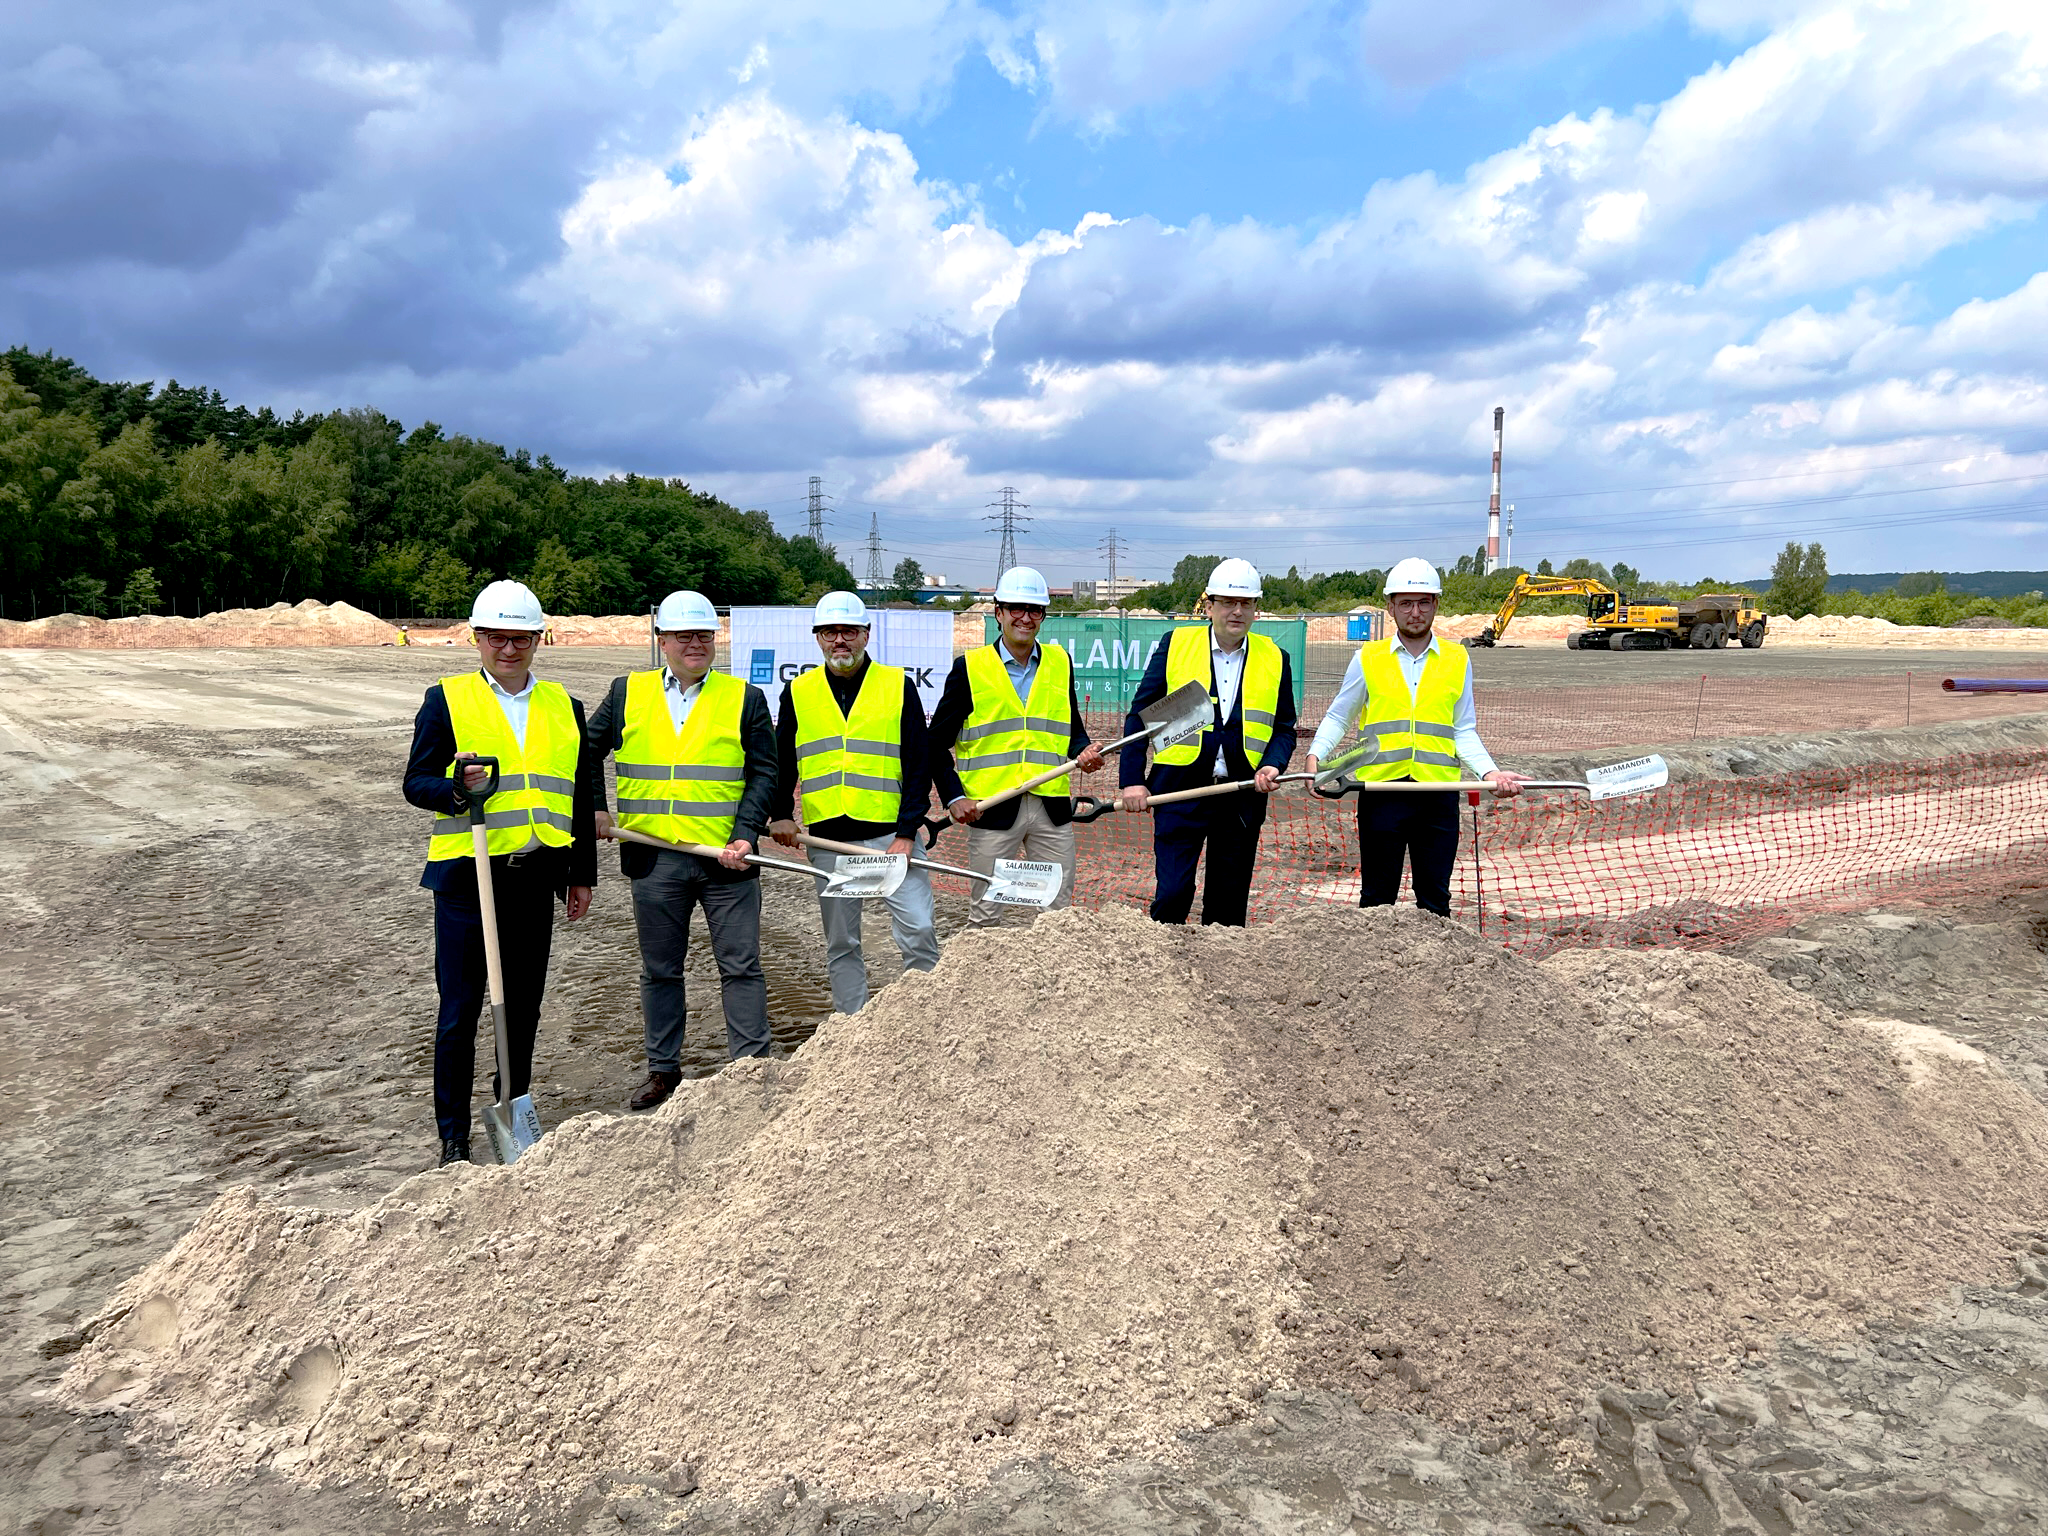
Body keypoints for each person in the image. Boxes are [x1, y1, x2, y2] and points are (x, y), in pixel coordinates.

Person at [401, 579, 600, 1167]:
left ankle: (513, 1104)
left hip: (534, 877)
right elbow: (415, 783)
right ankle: (453, 1133)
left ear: (537, 639)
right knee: (460, 1010)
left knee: (524, 1006)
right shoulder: (446, 699)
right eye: (495, 638)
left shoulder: (565, 706)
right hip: (468, 880)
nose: (507, 650)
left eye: (519, 638)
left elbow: (579, 796)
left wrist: (579, 873)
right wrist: (457, 793)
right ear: (477, 638)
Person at [586, 590, 777, 1109]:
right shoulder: (628, 691)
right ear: (662, 639)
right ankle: (663, 1070)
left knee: (741, 965)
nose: (696, 644)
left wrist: (746, 833)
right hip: (655, 859)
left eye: (704, 636)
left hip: (726, 860)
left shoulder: (745, 698)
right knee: (660, 970)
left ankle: (751, 1068)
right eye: (685, 636)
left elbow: (764, 771)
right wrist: (598, 808)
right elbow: (585, 750)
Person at [1306, 557, 1526, 916]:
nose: (1415, 611)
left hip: (1437, 796)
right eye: (1405, 603)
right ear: (1391, 607)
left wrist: (1490, 774)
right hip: (1382, 794)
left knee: (1435, 901)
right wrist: (1316, 757)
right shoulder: (1368, 658)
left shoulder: (1457, 659)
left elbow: (1463, 729)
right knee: (1377, 900)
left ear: (1436, 605)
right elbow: (1338, 716)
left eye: (1424, 602)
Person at [767, 591, 940, 1013]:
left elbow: (919, 763)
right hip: (830, 842)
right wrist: (780, 815)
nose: (839, 640)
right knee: (842, 941)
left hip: (889, 838)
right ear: (818, 638)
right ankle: (852, 1024)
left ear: (866, 634)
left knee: (918, 929)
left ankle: (931, 1018)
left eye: (849, 631)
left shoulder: (897, 686)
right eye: (830, 632)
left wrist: (906, 832)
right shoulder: (799, 691)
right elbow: (782, 761)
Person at [1119, 558, 1297, 926]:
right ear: (1210, 606)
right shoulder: (1176, 645)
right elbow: (1139, 717)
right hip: (1180, 792)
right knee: (1172, 897)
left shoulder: (1275, 658)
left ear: (1255, 609)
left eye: (1246, 603)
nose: (1237, 611)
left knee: (1227, 910)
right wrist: (1132, 779)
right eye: (1228, 602)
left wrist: (1273, 764)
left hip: (1241, 796)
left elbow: (1284, 727)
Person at [929, 566, 1105, 924]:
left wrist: (1084, 751)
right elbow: (934, 746)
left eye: (1034, 610)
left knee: (1058, 914)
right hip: (993, 810)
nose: (1025, 618)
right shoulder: (969, 669)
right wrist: (954, 797)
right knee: (986, 915)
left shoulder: (1060, 663)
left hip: (1051, 808)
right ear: (998, 613)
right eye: (1016, 609)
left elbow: (1072, 729)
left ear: (1043, 615)